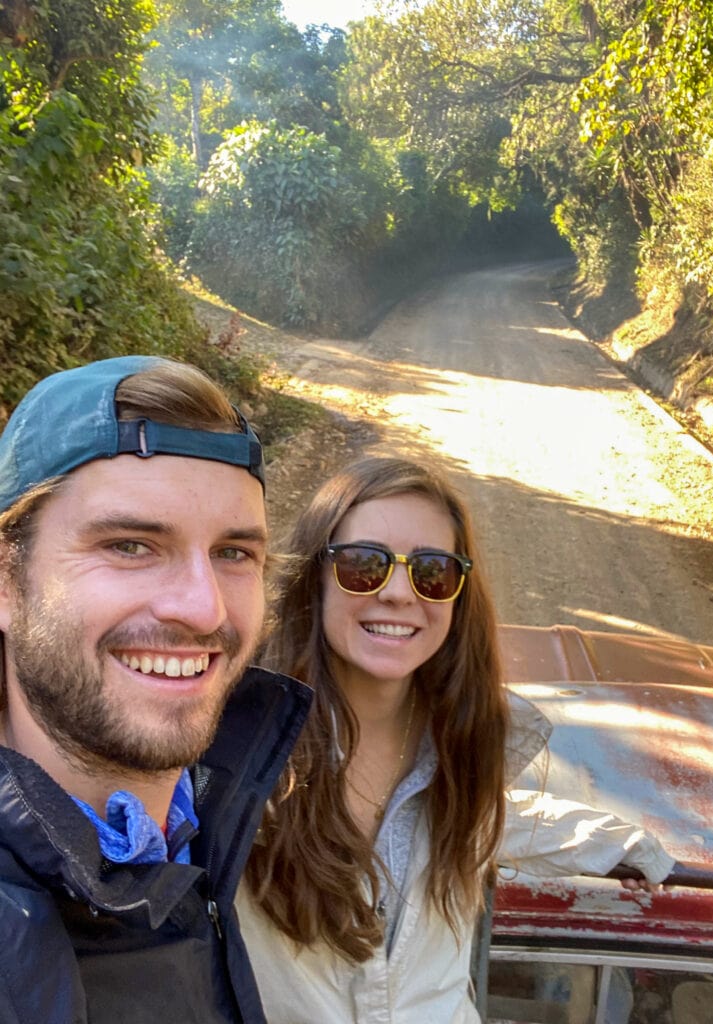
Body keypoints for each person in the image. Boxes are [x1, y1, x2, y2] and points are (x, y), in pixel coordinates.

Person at [235, 455, 675, 1023]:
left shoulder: (464, 753)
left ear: (457, 595)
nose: (398, 593)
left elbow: (480, 820)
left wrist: (604, 839)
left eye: (432, 571)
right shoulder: (239, 750)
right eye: (364, 565)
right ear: (314, 578)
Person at [0, 355, 311, 1023]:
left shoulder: (214, 828)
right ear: (5, 581)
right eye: (130, 545)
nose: (204, 610)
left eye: (233, 553)